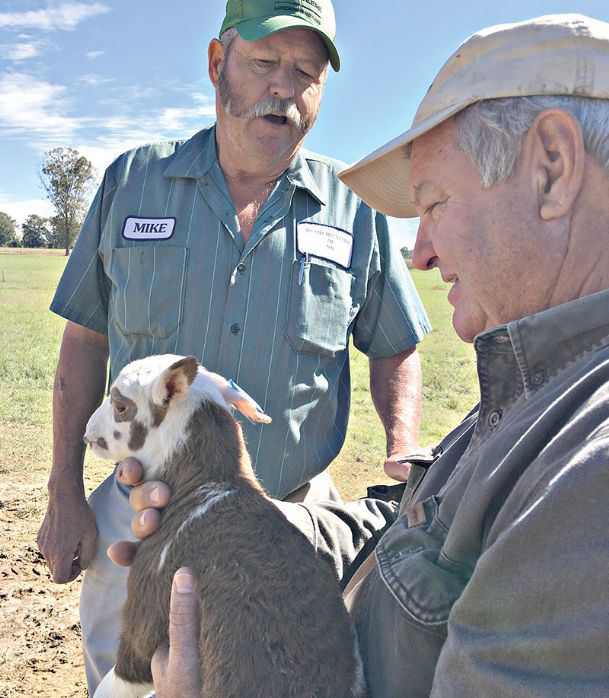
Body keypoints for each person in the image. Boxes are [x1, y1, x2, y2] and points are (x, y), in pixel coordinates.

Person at [121, 12, 609, 696]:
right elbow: (415, 524)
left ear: (552, 170)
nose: (420, 251)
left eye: (434, 203)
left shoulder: (589, 474)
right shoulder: (540, 385)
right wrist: (243, 531)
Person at [36, 0, 430, 692]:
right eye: (265, 63)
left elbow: (395, 343)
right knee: (132, 682)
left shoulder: (352, 208)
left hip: (295, 525)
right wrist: (64, 490)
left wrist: (401, 447)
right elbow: (83, 343)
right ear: (218, 65)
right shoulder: (134, 182)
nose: (284, 87)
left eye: (305, 72)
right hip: (140, 522)